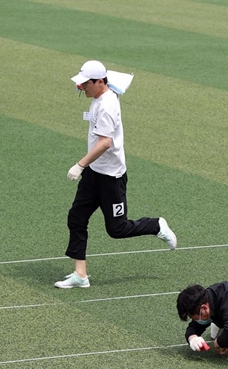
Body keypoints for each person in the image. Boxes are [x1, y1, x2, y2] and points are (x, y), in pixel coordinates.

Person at [55, 60, 177, 289]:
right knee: (76, 218)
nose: (81, 88)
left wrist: (79, 165)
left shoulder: (107, 106)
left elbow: (104, 143)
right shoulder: (101, 89)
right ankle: (80, 275)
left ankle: (156, 225)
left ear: (99, 82)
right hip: (94, 174)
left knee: (117, 229)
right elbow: (111, 77)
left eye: (84, 84)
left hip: (111, 178)